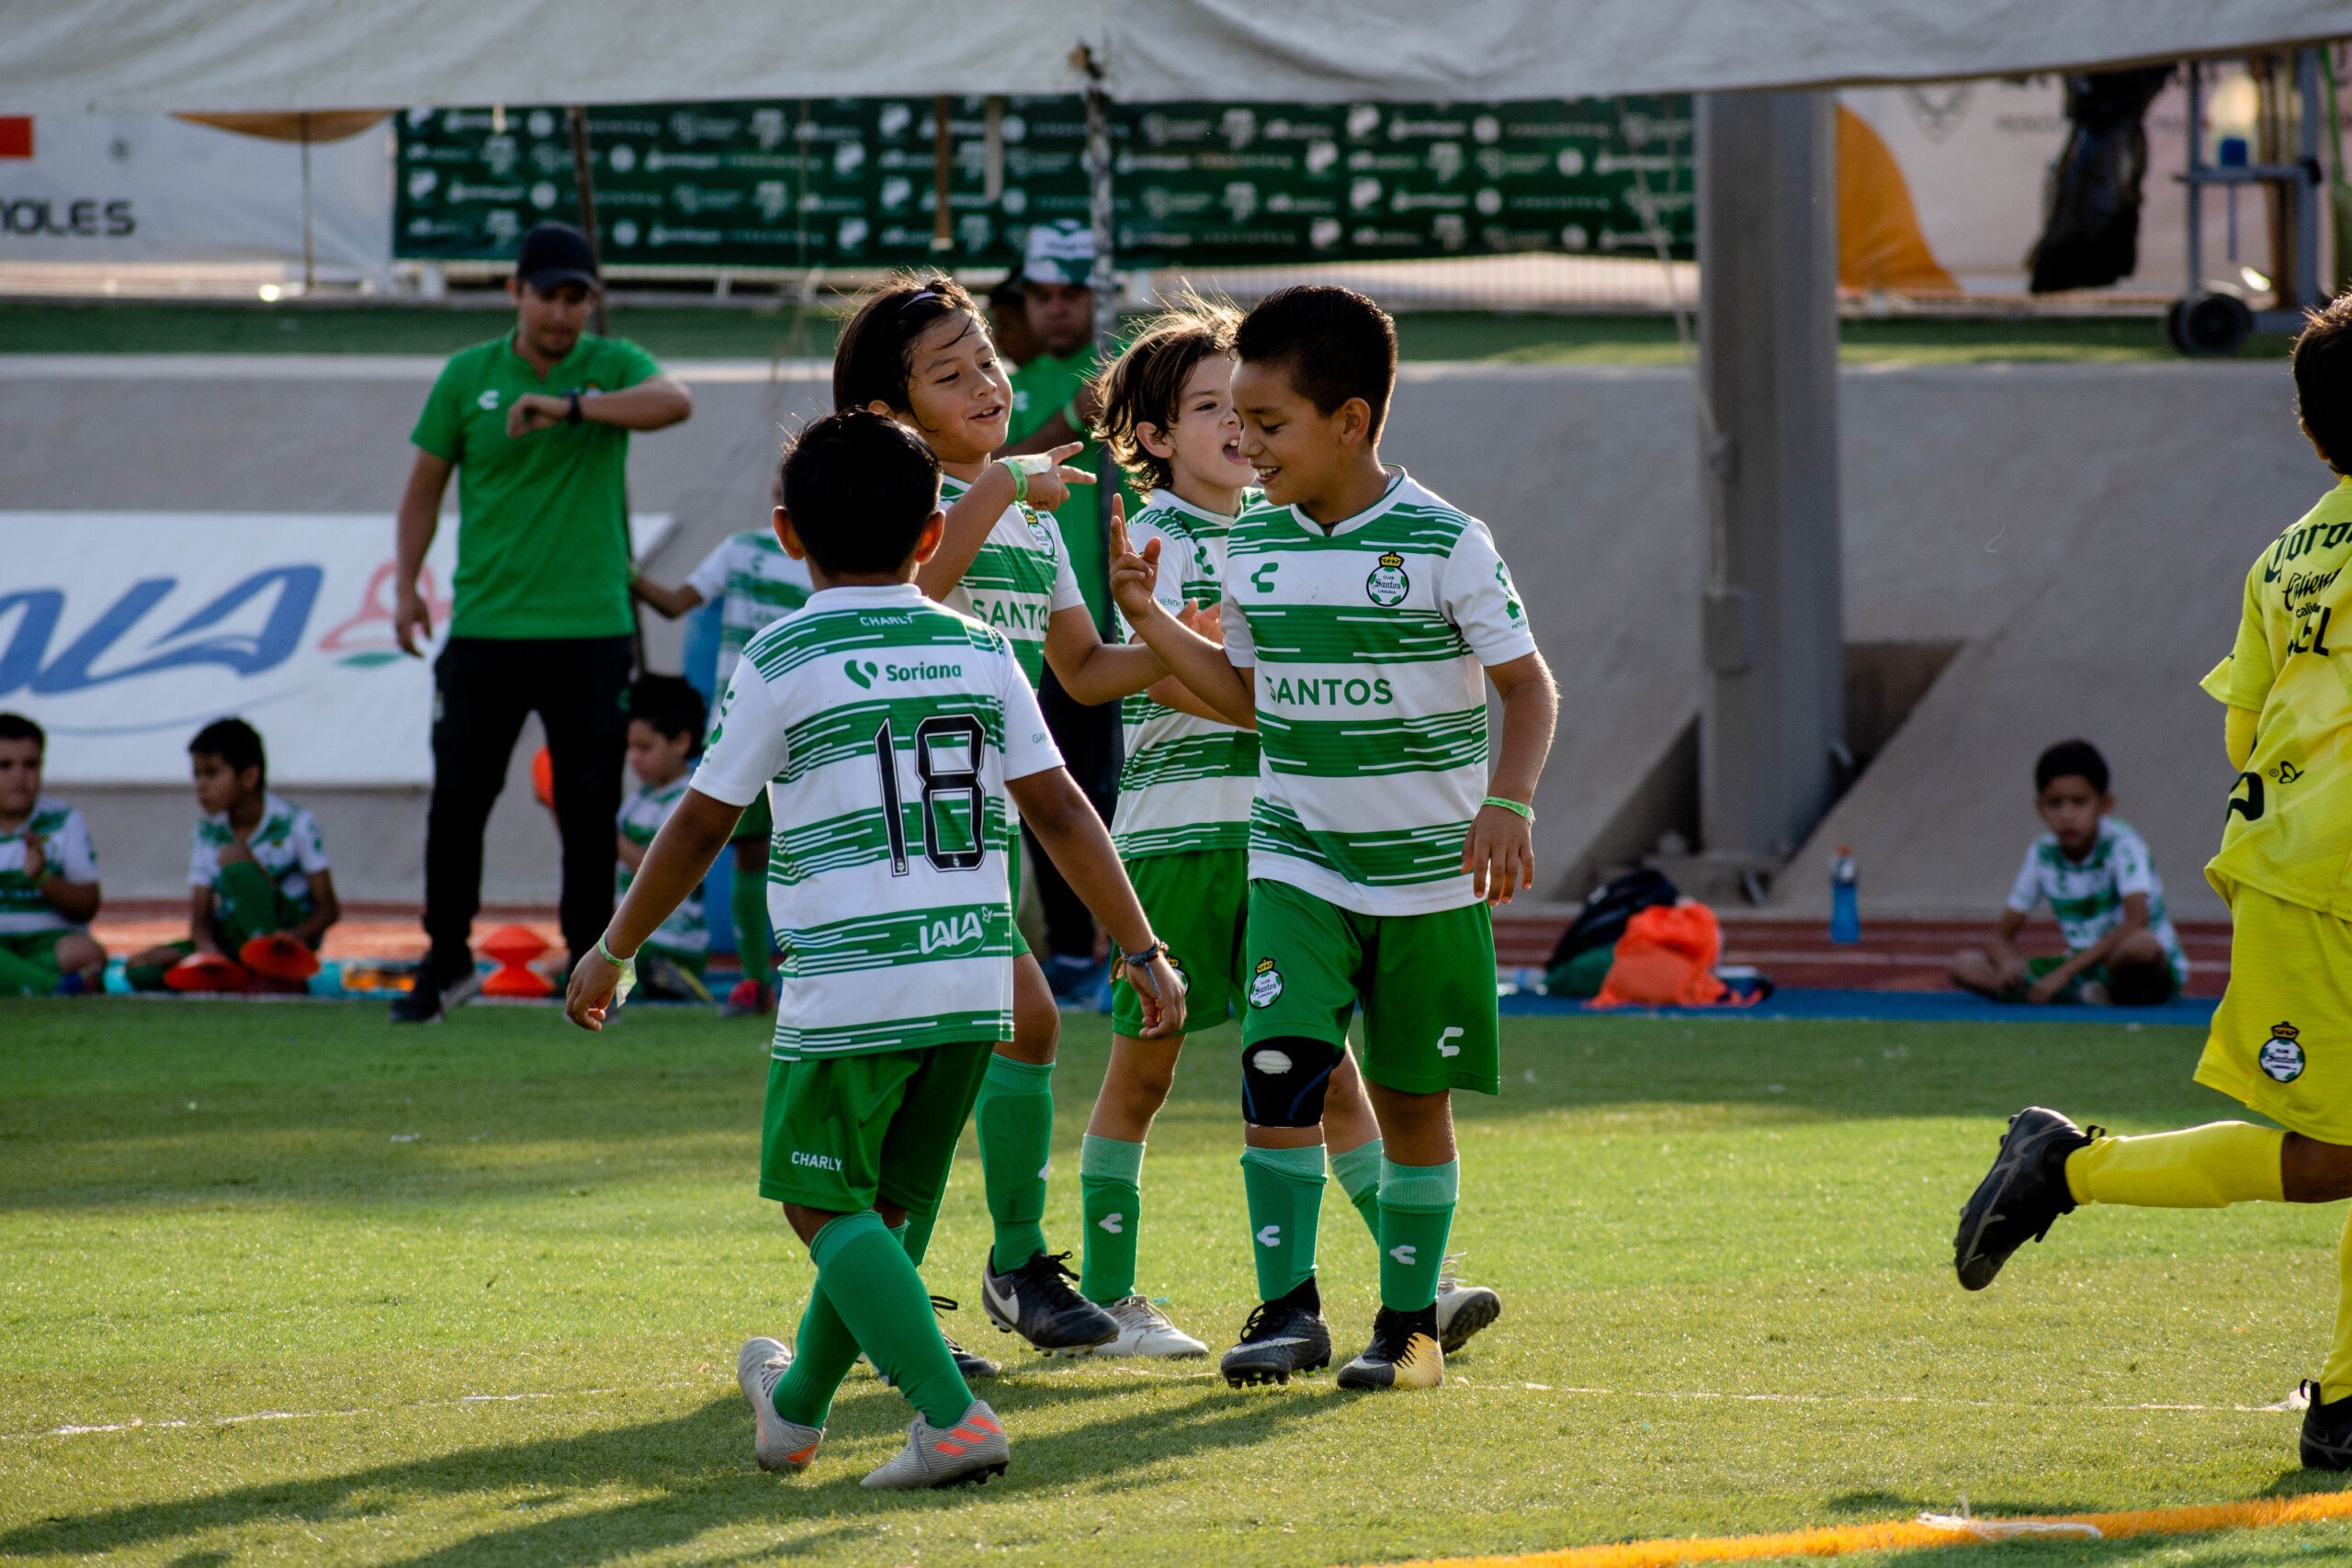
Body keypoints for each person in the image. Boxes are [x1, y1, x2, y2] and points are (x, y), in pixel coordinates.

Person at [563, 409, 1185, 1489]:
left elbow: (705, 821)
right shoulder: (977, 644)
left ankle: (953, 1419)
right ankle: (795, 1409)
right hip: (972, 976)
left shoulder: (784, 652)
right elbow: (1063, 811)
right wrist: (1139, 950)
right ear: (935, 528)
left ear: (785, 535)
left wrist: (614, 945)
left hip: (854, 981)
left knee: (819, 1204)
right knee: (882, 1210)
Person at [1111, 285, 1557, 1391]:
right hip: (1296, 860)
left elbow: (1527, 685)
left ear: (1349, 421)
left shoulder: (1447, 541)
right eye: (1235, 424)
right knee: (1278, 1070)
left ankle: (1406, 1329)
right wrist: (1153, 623)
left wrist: (1508, 802)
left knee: (1411, 1100)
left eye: (1268, 426)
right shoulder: (1252, 546)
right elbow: (1254, 698)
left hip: (1426, 878)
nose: (1245, 447)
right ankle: (1286, 1311)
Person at [1952, 294, 2352, 1471]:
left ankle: (2066, 1167)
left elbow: (2240, 737)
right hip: (2330, 877)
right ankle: (2070, 1168)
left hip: (2289, 866)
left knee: (2340, 1155)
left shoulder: (2284, 557)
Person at [834, 275, 1175, 1357]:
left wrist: (1176, 636)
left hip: (970, 834)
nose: (986, 381)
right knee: (982, 1038)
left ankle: (949, 1292)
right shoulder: (896, 498)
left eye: (986, 359)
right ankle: (973, 1283)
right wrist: (1003, 488)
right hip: (883, 833)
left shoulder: (1026, 510)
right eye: (951, 372)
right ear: (893, 414)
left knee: (1005, 1030)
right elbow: (915, 598)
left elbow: (1077, 672)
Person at [389, 220, 692, 1023]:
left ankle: (592, 975)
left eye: (577, 299)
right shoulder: (467, 375)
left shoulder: (610, 365)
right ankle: (446, 959)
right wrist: (408, 587)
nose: (563, 314)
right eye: (549, 296)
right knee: (458, 802)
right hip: (486, 625)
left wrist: (572, 406)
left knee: (590, 810)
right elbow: (423, 485)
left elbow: (676, 401)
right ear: (513, 291)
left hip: (590, 631)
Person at [1000, 221, 1128, 1006]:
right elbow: (997, 474)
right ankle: (1075, 951)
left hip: (1126, 620)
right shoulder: (1015, 386)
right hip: (1038, 624)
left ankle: (1135, 940)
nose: (1054, 310)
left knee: (1119, 786)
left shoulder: (1129, 373)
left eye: (1071, 295)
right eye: (1041, 296)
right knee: (1057, 788)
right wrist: (1075, 419)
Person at [631, 493, 814, 1016]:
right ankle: (758, 982)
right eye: (785, 486)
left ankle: (827, 977)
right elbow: (674, 603)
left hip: (819, 720)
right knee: (750, 851)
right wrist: (626, 574)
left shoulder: (842, 561)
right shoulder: (740, 550)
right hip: (747, 723)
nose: (789, 495)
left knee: (820, 849)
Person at [1950, 739, 2188, 1006]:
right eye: (2055, 803)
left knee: (2141, 946)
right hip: (2081, 965)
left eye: (2079, 802)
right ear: (2040, 807)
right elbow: (1999, 938)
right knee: (1964, 964)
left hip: (2125, 964)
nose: (2067, 815)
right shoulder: (2043, 853)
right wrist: (2008, 966)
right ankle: (2079, 995)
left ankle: (2067, 993)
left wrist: (2062, 974)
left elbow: (2136, 922)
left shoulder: (2124, 844)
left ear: (2105, 804)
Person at [125, 719, 339, 992]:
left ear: (249, 777)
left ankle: (269, 970)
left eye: (212, 773)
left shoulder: (295, 822)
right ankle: (243, 973)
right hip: (230, 939)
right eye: (197, 775)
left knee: (236, 861)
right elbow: (200, 917)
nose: (200, 785)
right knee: (140, 969)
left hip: (283, 940)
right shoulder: (207, 831)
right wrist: (206, 950)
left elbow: (329, 910)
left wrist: (294, 936)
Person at [616, 674, 712, 1002]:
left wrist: (608, 836)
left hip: (673, 937)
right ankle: (658, 979)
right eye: (629, 747)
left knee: (605, 975)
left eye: (645, 747)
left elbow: (661, 870)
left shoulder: (689, 801)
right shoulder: (638, 800)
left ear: (682, 743)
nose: (634, 758)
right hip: (633, 935)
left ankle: (671, 974)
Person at [0, 713, 104, 997]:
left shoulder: (64, 820)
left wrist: (43, 878)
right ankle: (49, 986)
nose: (19, 776)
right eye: (5, 766)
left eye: (30, 765)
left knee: (86, 952)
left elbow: (88, 906)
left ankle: (17, 980)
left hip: (49, 945)